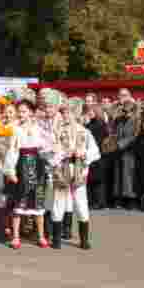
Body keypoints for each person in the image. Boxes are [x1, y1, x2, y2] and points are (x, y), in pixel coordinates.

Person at [49, 99, 99, 250]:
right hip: (61, 170)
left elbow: (95, 152)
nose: (65, 115)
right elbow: (48, 152)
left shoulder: (84, 131)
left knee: (81, 203)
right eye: (63, 112)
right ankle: (56, 239)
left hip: (79, 170)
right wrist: (63, 153)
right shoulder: (56, 131)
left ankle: (84, 239)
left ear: (75, 114)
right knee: (58, 202)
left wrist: (83, 154)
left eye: (68, 112)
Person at [3, 99, 53, 249]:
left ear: (31, 112)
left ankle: (41, 236)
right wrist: (10, 170)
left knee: (38, 203)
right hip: (22, 165)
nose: (21, 114)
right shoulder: (15, 129)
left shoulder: (39, 128)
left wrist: (51, 152)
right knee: (19, 202)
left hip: (37, 166)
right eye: (19, 111)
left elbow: (48, 144)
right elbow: (12, 150)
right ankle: (16, 237)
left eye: (24, 111)